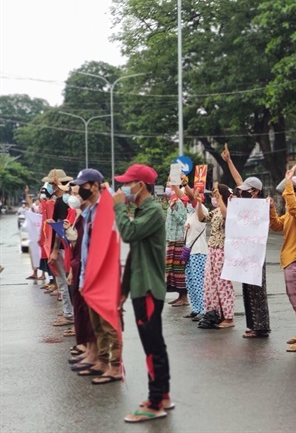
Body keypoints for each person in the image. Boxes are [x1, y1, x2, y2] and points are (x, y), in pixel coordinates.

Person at [113, 164, 172, 422]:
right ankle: (164, 394)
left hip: (148, 289)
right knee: (156, 344)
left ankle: (155, 402)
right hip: (140, 287)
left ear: (140, 185)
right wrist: (124, 291)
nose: (124, 188)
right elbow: (136, 253)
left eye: (128, 183)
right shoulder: (141, 210)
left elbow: (128, 233)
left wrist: (117, 206)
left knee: (151, 346)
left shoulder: (154, 211)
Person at [72, 170, 123, 384]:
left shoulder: (106, 208)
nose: (80, 189)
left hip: (106, 277)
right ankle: (102, 362)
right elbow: (85, 248)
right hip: (91, 276)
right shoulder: (91, 210)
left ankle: (115, 366)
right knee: (97, 324)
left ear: (94, 186)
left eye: (84, 185)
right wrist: (83, 279)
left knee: (108, 323)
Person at [221, 144, 270, 338]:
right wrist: (229, 161)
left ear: (256, 191)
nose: (242, 192)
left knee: (257, 289)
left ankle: (261, 326)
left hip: (256, 254)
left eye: (246, 190)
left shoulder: (261, 205)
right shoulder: (244, 203)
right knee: (247, 289)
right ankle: (253, 325)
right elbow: (239, 180)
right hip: (244, 253)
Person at [269, 165, 296, 352]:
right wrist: (271, 209)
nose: (287, 196)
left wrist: (288, 183)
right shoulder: (293, 212)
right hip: (290, 260)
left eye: (292, 191)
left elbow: (293, 208)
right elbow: (277, 226)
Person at [64, 170, 102, 375]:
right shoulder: (86, 213)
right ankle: (90, 353)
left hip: (92, 271)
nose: (77, 195)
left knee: (93, 317)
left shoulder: (100, 211)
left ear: (94, 186)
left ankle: (98, 357)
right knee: (84, 314)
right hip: (82, 267)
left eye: (81, 189)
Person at [41, 169, 75, 327]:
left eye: (49, 184)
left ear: (55, 184)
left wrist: (54, 250)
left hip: (62, 247)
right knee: (66, 281)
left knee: (63, 281)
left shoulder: (62, 203)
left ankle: (69, 314)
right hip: (66, 247)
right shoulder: (63, 201)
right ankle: (69, 312)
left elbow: (60, 228)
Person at [201, 184, 236, 328]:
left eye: (216, 192)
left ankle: (229, 317)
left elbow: (226, 215)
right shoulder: (215, 211)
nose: (214, 195)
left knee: (223, 283)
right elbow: (202, 218)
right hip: (212, 248)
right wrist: (198, 202)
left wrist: (220, 198)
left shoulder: (230, 208)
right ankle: (216, 313)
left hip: (223, 249)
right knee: (211, 283)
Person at [179, 186, 209, 320]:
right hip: (190, 252)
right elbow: (183, 196)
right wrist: (174, 185)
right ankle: (196, 308)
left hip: (199, 252)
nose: (187, 202)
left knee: (198, 282)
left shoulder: (201, 210)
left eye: (189, 201)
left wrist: (185, 184)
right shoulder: (190, 214)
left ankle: (203, 310)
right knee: (190, 281)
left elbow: (191, 198)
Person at [165, 186, 191, 307]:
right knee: (173, 270)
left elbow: (183, 221)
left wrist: (173, 210)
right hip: (172, 240)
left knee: (180, 270)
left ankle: (184, 297)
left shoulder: (180, 204)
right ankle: (179, 296)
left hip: (179, 240)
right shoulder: (171, 203)